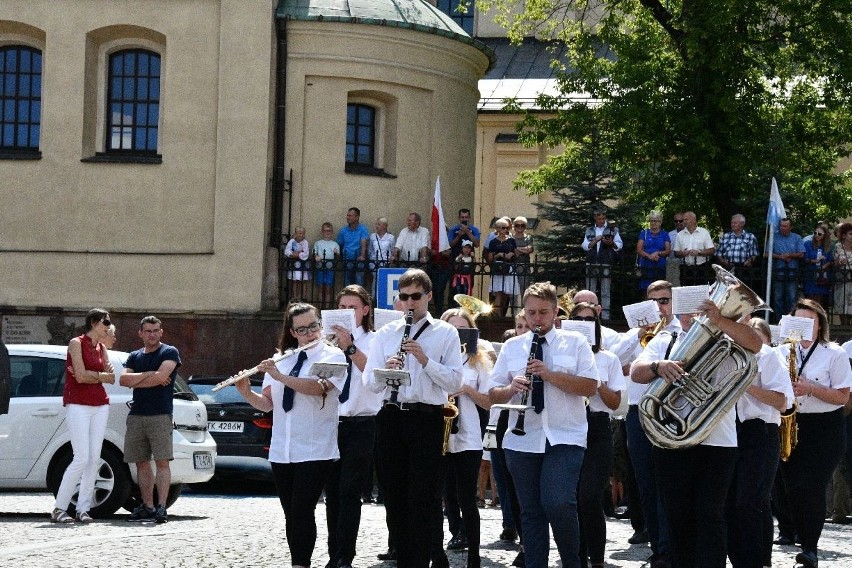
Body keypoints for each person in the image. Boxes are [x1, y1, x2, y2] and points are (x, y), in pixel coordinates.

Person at [631, 299, 763, 568]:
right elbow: (635, 372)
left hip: (719, 443)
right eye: (689, 310)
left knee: (711, 515)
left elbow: (756, 344)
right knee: (677, 516)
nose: (694, 316)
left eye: (700, 311)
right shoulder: (665, 340)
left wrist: (721, 322)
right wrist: (659, 367)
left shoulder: (730, 339)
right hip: (672, 440)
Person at [489, 281, 599, 568]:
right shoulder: (513, 346)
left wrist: (549, 375)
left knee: (558, 502)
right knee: (531, 512)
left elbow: (589, 386)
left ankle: (572, 563)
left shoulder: (575, 342)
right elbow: (492, 394)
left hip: (566, 436)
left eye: (543, 313)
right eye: (531, 313)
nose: (536, 319)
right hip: (522, 438)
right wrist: (512, 387)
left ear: (556, 312)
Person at [363, 268, 464, 568]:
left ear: (429, 296)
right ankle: (404, 558)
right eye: (404, 297)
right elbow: (370, 382)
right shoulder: (385, 334)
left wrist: (424, 360)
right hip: (391, 418)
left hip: (426, 418)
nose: (409, 303)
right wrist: (388, 370)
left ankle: (421, 560)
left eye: (415, 297)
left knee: (422, 496)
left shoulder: (446, 333)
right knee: (393, 496)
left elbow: (456, 383)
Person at [235, 303, 347, 568]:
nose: (310, 333)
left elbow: (318, 388)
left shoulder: (333, 356)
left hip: (315, 448)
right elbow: (267, 404)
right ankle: (299, 561)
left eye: (313, 326)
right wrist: (245, 392)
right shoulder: (282, 358)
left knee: (302, 509)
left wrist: (279, 375)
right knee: (291, 514)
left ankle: (301, 564)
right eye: (302, 329)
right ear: (293, 332)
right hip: (282, 450)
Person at [774, 299, 851, 568]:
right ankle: (799, 534)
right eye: (798, 321)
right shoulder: (781, 352)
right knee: (792, 488)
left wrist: (811, 388)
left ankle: (810, 548)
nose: (804, 327)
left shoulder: (835, 354)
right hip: (789, 424)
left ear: (820, 326)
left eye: (810, 321)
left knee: (812, 487)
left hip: (824, 428)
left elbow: (842, 397)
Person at [726, 317, 792, 568]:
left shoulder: (768, 356)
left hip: (759, 430)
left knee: (750, 501)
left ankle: (756, 561)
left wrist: (745, 385)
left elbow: (781, 401)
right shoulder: (724, 354)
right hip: (727, 430)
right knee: (730, 502)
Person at [624, 281, 680, 568]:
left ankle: (669, 548)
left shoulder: (682, 332)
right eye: (654, 301)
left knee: (667, 483)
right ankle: (659, 547)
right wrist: (637, 336)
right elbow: (618, 362)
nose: (660, 307)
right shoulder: (635, 334)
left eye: (665, 300)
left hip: (670, 412)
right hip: (638, 412)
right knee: (645, 482)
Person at [324, 286, 380, 568]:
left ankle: (345, 555)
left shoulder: (374, 340)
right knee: (331, 493)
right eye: (342, 307)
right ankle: (334, 553)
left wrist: (349, 346)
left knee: (349, 491)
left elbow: (373, 373)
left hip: (362, 423)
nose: (348, 313)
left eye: (353, 308)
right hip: (332, 423)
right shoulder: (327, 343)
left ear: (365, 310)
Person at [569, 302, 625, 568]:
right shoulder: (562, 357)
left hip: (598, 426)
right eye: (577, 319)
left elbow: (614, 403)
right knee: (573, 496)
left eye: (589, 319)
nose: (583, 323)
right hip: (568, 424)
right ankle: (577, 557)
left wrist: (596, 383)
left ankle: (598, 559)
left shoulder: (608, 359)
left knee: (590, 495)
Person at [440, 308, 494, 568]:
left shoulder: (479, 361)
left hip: (468, 434)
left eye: (463, 328)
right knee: (439, 493)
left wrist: (467, 389)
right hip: (438, 432)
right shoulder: (435, 356)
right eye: (452, 329)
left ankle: (474, 555)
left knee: (466, 497)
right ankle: (437, 552)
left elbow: (488, 402)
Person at [51, 308, 115, 523]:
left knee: (94, 458)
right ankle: (60, 508)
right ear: (95, 322)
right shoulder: (76, 343)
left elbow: (112, 377)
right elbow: (79, 376)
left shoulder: (102, 348)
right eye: (106, 322)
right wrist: (99, 376)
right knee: (81, 457)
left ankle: (83, 509)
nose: (108, 326)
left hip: (100, 404)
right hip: (78, 404)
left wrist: (93, 376)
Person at [120, 316, 181, 524]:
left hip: (160, 414)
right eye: (148, 331)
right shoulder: (134, 356)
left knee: (162, 461)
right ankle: (148, 506)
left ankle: (161, 507)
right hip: (137, 415)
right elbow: (123, 380)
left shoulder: (169, 352)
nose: (152, 334)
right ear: (141, 333)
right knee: (141, 463)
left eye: (155, 330)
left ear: (161, 332)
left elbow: (161, 377)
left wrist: (139, 379)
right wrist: (149, 375)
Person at [581, 209, 623, 319]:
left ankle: (605, 316)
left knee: (605, 290)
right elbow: (585, 246)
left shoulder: (612, 229)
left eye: (603, 218)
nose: (601, 221)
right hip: (592, 262)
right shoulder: (589, 230)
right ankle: (590, 315)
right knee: (590, 290)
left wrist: (611, 243)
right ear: (595, 218)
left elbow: (619, 245)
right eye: (599, 219)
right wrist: (596, 240)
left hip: (606, 262)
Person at [770, 218, 804, 321]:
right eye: (781, 226)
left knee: (792, 298)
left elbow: (802, 254)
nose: (782, 228)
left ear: (790, 227)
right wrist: (780, 256)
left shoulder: (797, 238)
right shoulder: (774, 237)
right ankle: (779, 320)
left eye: (785, 226)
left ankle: (791, 320)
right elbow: (767, 253)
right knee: (777, 298)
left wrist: (790, 255)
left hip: (792, 272)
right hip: (778, 272)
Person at [715, 214, 760, 289]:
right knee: (729, 291)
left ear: (742, 224)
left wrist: (749, 261)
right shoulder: (725, 236)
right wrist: (723, 261)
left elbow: (754, 254)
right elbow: (718, 253)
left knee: (744, 292)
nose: (732, 224)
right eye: (732, 222)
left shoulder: (750, 237)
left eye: (735, 223)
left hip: (744, 269)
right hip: (728, 268)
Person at [487, 218, 519, 317]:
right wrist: (499, 255)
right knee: (498, 293)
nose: (506, 229)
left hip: (509, 267)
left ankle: (503, 315)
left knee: (506, 293)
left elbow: (516, 253)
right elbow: (490, 257)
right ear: (497, 229)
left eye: (507, 227)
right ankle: (497, 316)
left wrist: (511, 254)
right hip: (498, 268)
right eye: (503, 228)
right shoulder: (493, 241)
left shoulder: (511, 240)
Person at [673, 211, 715, 286]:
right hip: (686, 268)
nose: (684, 222)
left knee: (702, 292)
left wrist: (699, 253)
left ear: (693, 220)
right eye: (683, 220)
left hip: (702, 268)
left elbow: (711, 250)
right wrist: (683, 253)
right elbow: (676, 253)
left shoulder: (704, 232)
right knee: (686, 292)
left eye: (686, 219)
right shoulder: (680, 235)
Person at [636, 211, 671, 291]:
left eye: (656, 221)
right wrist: (649, 256)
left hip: (660, 266)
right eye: (651, 220)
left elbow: (668, 251)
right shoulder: (644, 233)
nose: (653, 223)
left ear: (660, 222)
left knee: (659, 289)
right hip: (646, 265)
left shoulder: (665, 234)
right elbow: (639, 249)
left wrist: (658, 253)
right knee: (646, 290)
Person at [337, 208, 369, 287]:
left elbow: (364, 242)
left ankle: (359, 299)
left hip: (359, 260)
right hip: (347, 260)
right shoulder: (343, 230)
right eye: (347, 215)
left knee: (359, 282)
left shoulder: (363, 229)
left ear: (357, 217)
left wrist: (362, 255)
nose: (348, 217)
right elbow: (339, 244)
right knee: (347, 283)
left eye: (350, 215)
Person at [803, 222, 833, 307]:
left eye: (820, 234)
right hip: (810, 274)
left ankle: (817, 319)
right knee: (810, 300)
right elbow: (805, 258)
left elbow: (831, 260)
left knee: (819, 302)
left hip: (822, 276)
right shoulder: (808, 244)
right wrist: (815, 261)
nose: (817, 235)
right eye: (815, 233)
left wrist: (824, 266)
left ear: (824, 235)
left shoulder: (827, 246)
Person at [314, 222, 341, 308]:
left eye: (329, 230)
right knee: (321, 288)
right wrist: (316, 256)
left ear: (332, 231)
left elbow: (338, 255)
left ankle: (327, 307)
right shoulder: (318, 243)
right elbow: (314, 254)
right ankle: (321, 307)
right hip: (320, 267)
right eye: (326, 230)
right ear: (322, 231)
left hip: (330, 268)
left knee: (328, 289)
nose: (327, 232)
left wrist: (337, 254)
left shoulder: (335, 244)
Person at [368, 217, 395, 298]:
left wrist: (391, 259)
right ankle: (374, 298)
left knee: (384, 281)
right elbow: (370, 250)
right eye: (376, 224)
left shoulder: (391, 237)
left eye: (379, 224)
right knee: (375, 280)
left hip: (386, 263)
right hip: (374, 262)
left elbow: (392, 250)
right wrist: (371, 259)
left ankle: (383, 299)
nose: (377, 226)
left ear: (384, 226)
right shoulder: (373, 236)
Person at [284, 226, 311, 301]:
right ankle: (294, 297)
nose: (301, 235)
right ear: (295, 234)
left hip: (303, 264)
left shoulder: (305, 242)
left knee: (304, 280)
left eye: (303, 233)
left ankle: (304, 297)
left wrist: (297, 254)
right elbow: (287, 251)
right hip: (294, 264)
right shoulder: (291, 241)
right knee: (294, 280)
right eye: (299, 233)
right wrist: (294, 254)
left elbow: (306, 253)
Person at [833, 222, 852, 325]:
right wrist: (840, 262)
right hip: (842, 280)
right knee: (842, 304)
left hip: (851, 280)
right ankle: (843, 325)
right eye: (850, 234)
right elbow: (834, 262)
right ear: (844, 235)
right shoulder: (838, 246)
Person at [511, 217, 534, 295]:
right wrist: (524, 250)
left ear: (525, 227)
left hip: (524, 266)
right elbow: (513, 251)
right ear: (514, 226)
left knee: (524, 289)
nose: (520, 227)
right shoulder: (511, 238)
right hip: (512, 265)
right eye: (517, 225)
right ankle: (514, 307)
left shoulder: (528, 238)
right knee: (512, 290)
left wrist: (517, 249)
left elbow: (529, 250)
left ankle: (524, 307)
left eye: (522, 225)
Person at [666, 213, 685, 286]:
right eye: (676, 221)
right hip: (673, 266)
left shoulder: (689, 234)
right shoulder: (669, 235)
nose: (678, 223)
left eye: (680, 221)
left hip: (686, 265)